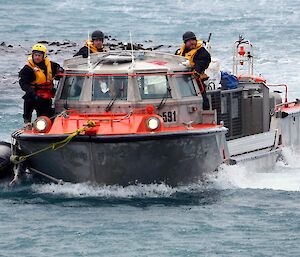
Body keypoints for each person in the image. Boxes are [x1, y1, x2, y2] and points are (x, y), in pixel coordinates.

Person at [19, 43, 63, 125]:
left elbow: (59, 71)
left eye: (39, 55)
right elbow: (23, 83)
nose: (37, 57)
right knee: (27, 112)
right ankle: (27, 123)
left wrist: (60, 71)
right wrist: (32, 92)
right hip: (32, 96)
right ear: (32, 55)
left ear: (43, 56)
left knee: (47, 117)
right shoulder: (27, 69)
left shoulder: (51, 65)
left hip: (46, 96)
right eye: (35, 55)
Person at [176, 31, 211, 110]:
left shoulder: (202, 52)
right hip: (180, 79)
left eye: (193, 40)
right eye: (189, 41)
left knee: (202, 99)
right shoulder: (180, 51)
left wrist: (194, 70)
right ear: (185, 42)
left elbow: (202, 63)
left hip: (196, 80)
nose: (191, 42)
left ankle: (205, 112)